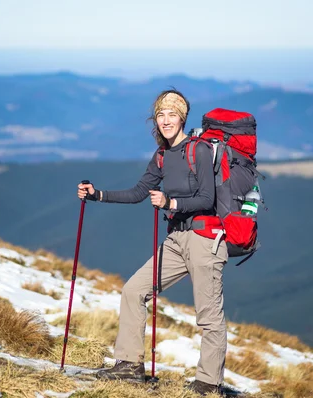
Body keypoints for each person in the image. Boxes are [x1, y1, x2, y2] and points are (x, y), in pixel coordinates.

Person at [77, 89, 228, 396]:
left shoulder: (197, 150)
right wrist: (97, 195)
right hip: (176, 239)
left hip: (204, 238)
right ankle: (130, 366)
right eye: (161, 115)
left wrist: (170, 203)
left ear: (182, 117)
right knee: (133, 290)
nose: (166, 120)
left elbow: (207, 198)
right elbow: (137, 193)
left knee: (208, 316)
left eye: (172, 114)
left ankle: (208, 384)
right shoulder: (162, 156)